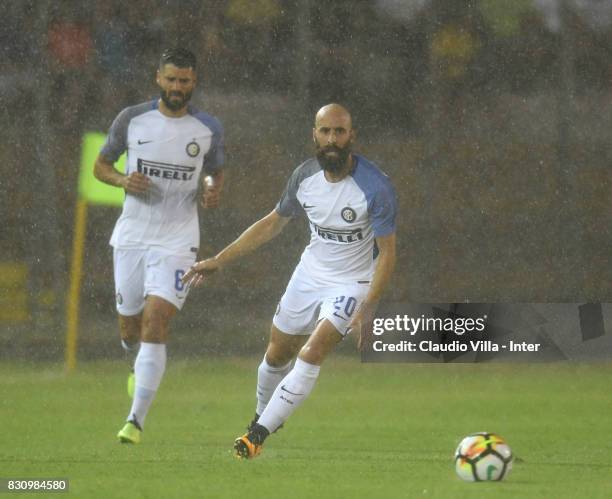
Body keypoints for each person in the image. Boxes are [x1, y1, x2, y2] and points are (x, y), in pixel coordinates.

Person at [182, 103, 396, 458]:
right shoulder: (304, 178)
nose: (332, 139)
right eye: (325, 131)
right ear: (314, 135)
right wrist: (219, 260)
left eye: (339, 132)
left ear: (351, 136)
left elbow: (387, 252)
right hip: (309, 275)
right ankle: (264, 416)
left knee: (311, 353)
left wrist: (369, 306)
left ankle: (256, 435)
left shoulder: (376, 188)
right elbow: (271, 223)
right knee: (276, 355)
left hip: (352, 284)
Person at [93, 47, 225, 444]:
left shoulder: (207, 128)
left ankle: (135, 421)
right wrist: (121, 180)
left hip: (179, 238)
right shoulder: (132, 119)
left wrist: (211, 190)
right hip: (133, 235)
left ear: (193, 82)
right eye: (171, 79)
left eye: (184, 81)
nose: (177, 87)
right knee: (130, 326)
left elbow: (215, 173)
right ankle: (138, 363)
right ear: (158, 79)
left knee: (156, 320)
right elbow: (100, 166)